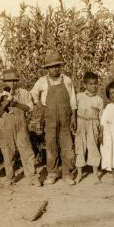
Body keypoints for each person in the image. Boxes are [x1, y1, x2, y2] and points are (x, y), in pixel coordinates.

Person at [30, 50, 77, 185]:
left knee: (67, 144)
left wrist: (73, 117)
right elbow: (33, 94)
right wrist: (40, 106)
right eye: (52, 66)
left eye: (58, 66)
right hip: (50, 118)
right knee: (51, 145)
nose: (55, 69)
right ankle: (52, 173)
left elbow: (73, 99)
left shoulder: (67, 80)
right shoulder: (42, 81)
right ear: (47, 68)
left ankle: (67, 174)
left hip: (65, 117)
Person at [0, 68, 42, 186]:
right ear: (5, 82)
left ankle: (32, 176)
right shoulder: (1, 95)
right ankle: (9, 177)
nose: (12, 83)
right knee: (8, 151)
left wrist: (16, 104)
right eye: (9, 81)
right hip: (6, 127)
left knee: (26, 150)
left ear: (17, 81)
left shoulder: (24, 93)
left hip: (20, 125)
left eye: (14, 80)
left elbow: (29, 108)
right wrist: (5, 104)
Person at [75, 72, 103, 184]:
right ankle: (79, 173)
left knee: (93, 146)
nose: (94, 86)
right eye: (91, 84)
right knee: (79, 146)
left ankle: (95, 174)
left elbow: (101, 116)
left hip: (93, 123)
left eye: (96, 83)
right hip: (81, 122)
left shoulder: (99, 99)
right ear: (85, 85)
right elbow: (73, 110)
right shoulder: (79, 96)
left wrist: (100, 129)